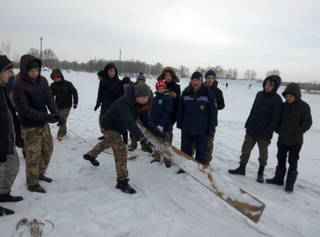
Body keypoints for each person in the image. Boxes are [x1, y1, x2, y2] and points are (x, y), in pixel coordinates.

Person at [83, 84, 165, 194]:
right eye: (143, 97)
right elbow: (129, 122)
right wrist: (141, 137)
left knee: (108, 142)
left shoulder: (142, 103)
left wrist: (158, 133)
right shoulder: (125, 103)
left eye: (147, 97)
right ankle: (122, 182)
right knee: (120, 151)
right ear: (136, 96)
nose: (146, 100)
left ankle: (90, 155)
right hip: (109, 125)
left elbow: (146, 120)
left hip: (119, 125)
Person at [13, 54, 64, 193]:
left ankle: (40, 173)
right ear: (25, 70)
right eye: (31, 71)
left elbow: (49, 98)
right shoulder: (19, 85)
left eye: (36, 70)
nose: (34, 73)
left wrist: (56, 114)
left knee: (48, 149)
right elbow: (24, 109)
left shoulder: (42, 81)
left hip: (42, 122)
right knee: (33, 154)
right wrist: (46, 117)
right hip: (29, 125)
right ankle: (32, 182)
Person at [228, 75, 282, 183]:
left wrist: (268, 132)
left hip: (264, 132)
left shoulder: (277, 99)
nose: (267, 87)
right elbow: (253, 110)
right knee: (245, 149)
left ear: (275, 87)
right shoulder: (259, 94)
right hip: (252, 128)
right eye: (266, 84)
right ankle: (241, 168)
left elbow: (275, 119)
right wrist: (248, 123)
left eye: (271, 85)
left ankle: (260, 173)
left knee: (263, 154)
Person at [266, 83, 312, 192]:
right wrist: (278, 130)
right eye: (287, 96)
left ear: (296, 95)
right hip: (282, 139)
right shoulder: (283, 105)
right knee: (280, 159)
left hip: (295, 141)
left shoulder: (304, 106)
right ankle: (278, 179)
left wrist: (298, 132)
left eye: (291, 96)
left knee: (293, 161)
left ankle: (289, 184)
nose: (288, 98)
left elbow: (307, 123)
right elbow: (277, 120)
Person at [177, 72, 217, 173]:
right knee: (185, 149)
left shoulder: (208, 93)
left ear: (201, 81)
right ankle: (184, 167)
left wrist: (211, 127)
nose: (195, 82)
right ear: (191, 81)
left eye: (198, 80)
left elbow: (213, 112)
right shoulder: (186, 92)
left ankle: (198, 170)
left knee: (201, 151)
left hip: (202, 129)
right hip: (187, 127)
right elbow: (180, 109)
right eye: (193, 80)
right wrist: (179, 122)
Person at [0, 55, 23, 216]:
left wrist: (18, 135)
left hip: (8, 141)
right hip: (1, 144)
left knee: (13, 165)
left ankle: (3, 193)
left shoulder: (2, 90)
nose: (11, 74)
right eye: (8, 71)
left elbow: (10, 115)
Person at [94, 63, 124, 140]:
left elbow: (120, 94)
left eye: (113, 71)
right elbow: (99, 93)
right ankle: (106, 135)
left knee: (112, 123)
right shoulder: (103, 81)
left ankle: (113, 137)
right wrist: (98, 103)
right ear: (107, 72)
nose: (112, 73)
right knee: (102, 122)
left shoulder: (119, 82)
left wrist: (110, 90)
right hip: (104, 106)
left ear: (116, 72)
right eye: (110, 71)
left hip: (114, 107)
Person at [50, 68, 78, 141]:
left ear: (61, 76)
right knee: (60, 119)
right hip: (58, 105)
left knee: (62, 119)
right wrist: (51, 104)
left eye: (58, 77)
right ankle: (64, 131)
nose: (56, 78)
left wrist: (75, 102)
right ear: (53, 78)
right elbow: (50, 95)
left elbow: (74, 92)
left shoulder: (68, 84)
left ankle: (60, 134)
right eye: (55, 77)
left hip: (67, 105)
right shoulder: (53, 85)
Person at [150, 80, 173, 167]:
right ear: (157, 88)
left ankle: (167, 159)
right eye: (159, 88)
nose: (161, 89)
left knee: (166, 143)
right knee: (157, 142)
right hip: (155, 126)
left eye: (162, 88)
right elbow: (152, 112)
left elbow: (167, 112)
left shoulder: (167, 98)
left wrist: (161, 125)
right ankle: (156, 157)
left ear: (165, 88)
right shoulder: (155, 98)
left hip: (165, 127)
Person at [204, 70, 225, 165]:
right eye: (208, 78)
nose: (210, 80)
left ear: (214, 79)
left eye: (211, 78)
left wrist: (216, 104)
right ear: (206, 79)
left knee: (209, 142)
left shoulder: (218, 91)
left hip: (211, 120)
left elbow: (222, 105)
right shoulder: (201, 88)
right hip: (200, 119)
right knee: (197, 142)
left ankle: (207, 161)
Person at [157, 67, 181, 144]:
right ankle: (158, 152)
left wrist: (174, 117)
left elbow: (178, 103)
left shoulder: (177, 87)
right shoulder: (161, 85)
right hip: (160, 115)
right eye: (166, 75)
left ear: (172, 76)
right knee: (159, 134)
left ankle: (167, 153)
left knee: (168, 135)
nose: (168, 77)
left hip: (171, 116)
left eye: (169, 75)